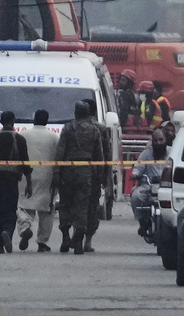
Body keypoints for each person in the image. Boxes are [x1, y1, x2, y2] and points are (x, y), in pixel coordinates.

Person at [53, 101, 104, 254]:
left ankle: (65, 236)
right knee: (82, 204)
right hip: (85, 171)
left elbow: (60, 151)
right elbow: (99, 156)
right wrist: (99, 176)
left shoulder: (68, 128)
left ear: (75, 113)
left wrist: (56, 172)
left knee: (65, 203)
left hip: (68, 170)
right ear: (88, 114)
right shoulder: (94, 131)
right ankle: (79, 239)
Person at [0, 111, 32, 253]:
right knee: (10, 210)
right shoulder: (20, 139)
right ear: (13, 121)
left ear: (1, 122)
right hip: (12, 179)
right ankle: (7, 231)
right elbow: (25, 163)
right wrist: (29, 183)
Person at [16, 110, 59, 253]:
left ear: (34, 119)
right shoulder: (54, 137)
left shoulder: (23, 134)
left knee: (23, 204)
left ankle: (25, 227)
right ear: (47, 121)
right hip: (47, 175)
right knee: (47, 210)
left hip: (26, 174)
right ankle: (42, 241)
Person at [83, 98, 112, 253]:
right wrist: (106, 176)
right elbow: (106, 155)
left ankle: (73, 236)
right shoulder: (101, 129)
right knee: (92, 207)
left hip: (73, 174)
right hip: (94, 175)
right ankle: (87, 239)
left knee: (74, 204)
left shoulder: (71, 127)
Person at [130, 128, 170, 237]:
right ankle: (143, 223)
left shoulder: (173, 152)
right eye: (155, 140)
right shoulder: (147, 153)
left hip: (167, 186)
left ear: (166, 139)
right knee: (135, 196)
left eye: (161, 140)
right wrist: (135, 174)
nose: (158, 143)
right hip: (147, 186)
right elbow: (139, 167)